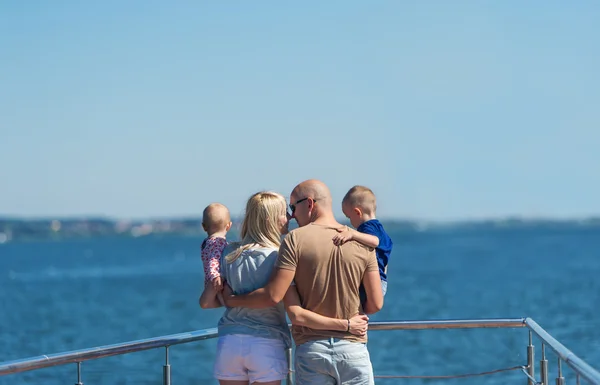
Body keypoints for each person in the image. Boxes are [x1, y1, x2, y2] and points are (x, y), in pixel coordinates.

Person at [222, 179, 383, 385]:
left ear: (309, 203)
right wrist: (350, 319)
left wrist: (232, 300)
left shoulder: (294, 240)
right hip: (353, 349)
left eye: (292, 207)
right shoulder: (360, 241)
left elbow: (287, 306)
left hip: (312, 350)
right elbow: (376, 304)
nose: (291, 215)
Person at [199, 191, 291, 385]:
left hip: (230, 342)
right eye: (284, 213)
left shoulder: (228, 253)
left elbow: (209, 301)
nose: (289, 217)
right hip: (266, 341)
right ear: (271, 219)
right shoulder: (281, 256)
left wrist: (232, 299)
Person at [332, 185, 393, 304]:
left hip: (373, 284)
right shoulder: (379, 229)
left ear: (357, 212)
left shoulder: (368, 228)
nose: (349, 221)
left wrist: (352, 234)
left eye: (349, 217)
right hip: (380, 282)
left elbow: (375, 241)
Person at [199, 203, 232, 304]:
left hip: (209, 280)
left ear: (204, 226)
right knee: (229, 302)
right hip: (218, 281)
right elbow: (213, 260)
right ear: (228, 226)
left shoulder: (207, 242)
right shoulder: (218, 242)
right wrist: (215, 276)